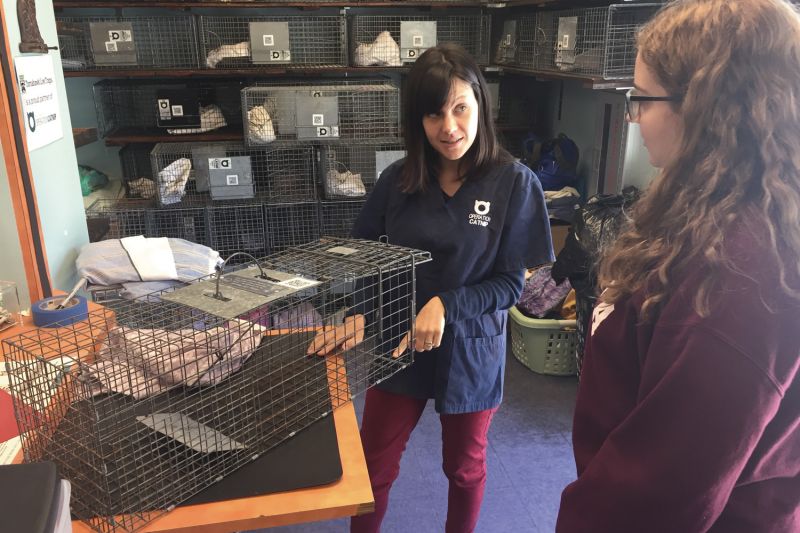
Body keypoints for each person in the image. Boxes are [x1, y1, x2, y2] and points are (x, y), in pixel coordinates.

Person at [556, 1, 800, 532]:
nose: (633, 115)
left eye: (642, 99)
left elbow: (662, 493)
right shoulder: (706, 214)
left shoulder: (743, 274)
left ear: (707, 108)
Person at [307, 43, 554, 532]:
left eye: (461, 108)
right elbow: (361, 256)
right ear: (416, 120)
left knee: (464, 469)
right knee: (373, 465)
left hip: (472, 350)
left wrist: (448, 304)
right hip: (398, 340)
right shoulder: (396, 181)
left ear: (481, 105)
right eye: (434, 113)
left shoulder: (513, 183)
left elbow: (511, 284)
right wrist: (357, 310)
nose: (450, 127)